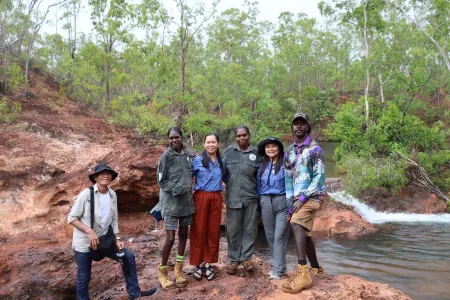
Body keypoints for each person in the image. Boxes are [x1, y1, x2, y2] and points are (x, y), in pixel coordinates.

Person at [68, 162, 158, 300]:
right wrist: (89, 231)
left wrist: (117, 238)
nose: (106, 175)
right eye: (102, 173)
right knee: (84, 277)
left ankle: (134, 293)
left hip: (105, 240)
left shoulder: (112, 195)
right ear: (96, 177)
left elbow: (114, 219)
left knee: (128, 257)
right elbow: (72, 218)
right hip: (84, 243)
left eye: (109, 173)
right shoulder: (86, 194)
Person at [281, 112, 326, 294]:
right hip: (296, 198)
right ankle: (316, 268)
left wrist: (302, 198)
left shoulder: (315, 149)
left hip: (313, 196)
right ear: (292, 127)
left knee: (296, 223)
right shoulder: (289, 151)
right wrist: (290, 204)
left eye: (302, 123)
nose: (298, 126)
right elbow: (288, 180)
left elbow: (320, 177)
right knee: (305, 234)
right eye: (295, 124)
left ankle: (303, 272)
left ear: (308, 126)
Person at [156, 127, 195, 290]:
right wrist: (178, 188)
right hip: (171, 204)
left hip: (186, 203)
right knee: (170, 238)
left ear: (182, 137)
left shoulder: (188, 156)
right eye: (171, 138)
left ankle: (179, 270)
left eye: (177, 137)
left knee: (184, 235)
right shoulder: (165, 157)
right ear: (168, 139)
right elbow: (162, 181)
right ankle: (163, 271)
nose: (174, 140)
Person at [223, 125, 260, 274]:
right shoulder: (229, 152)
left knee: (249, 229)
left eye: (244, 135)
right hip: (233, 198)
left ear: (249, 136)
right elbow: (222, 173)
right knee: (232, 230)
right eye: (238, 136)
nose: (241, 138)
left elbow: (260, 177)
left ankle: (246, 258)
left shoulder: (257, 154)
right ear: (235, 138)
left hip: (251, 198)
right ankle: (233, 260)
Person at [189, 133, 224, 281]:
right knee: (199, 229)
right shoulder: (197, 161)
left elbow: (226, 178)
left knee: (213, 230)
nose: (211, 145)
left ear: (218, 144)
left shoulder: (223, 162)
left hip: (216, 197)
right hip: (201, 197)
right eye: (208, 142)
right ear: (204, 144)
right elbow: (187, 178)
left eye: (213, 142)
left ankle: (208, 263)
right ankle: (198, 263)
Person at [257, 137, 289, 280]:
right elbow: (258, 186)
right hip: (265, 201)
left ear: (279, 149)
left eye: (274, 146)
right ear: (264, 150)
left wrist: (290, 208)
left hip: (281, 200)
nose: (271, 149)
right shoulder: (261, 165)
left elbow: (291, 185)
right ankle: (281, 267)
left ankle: (277, 270)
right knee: (270, 236)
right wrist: (259, 207)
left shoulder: (286, 164)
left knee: (279, 236)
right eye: (268, 147)